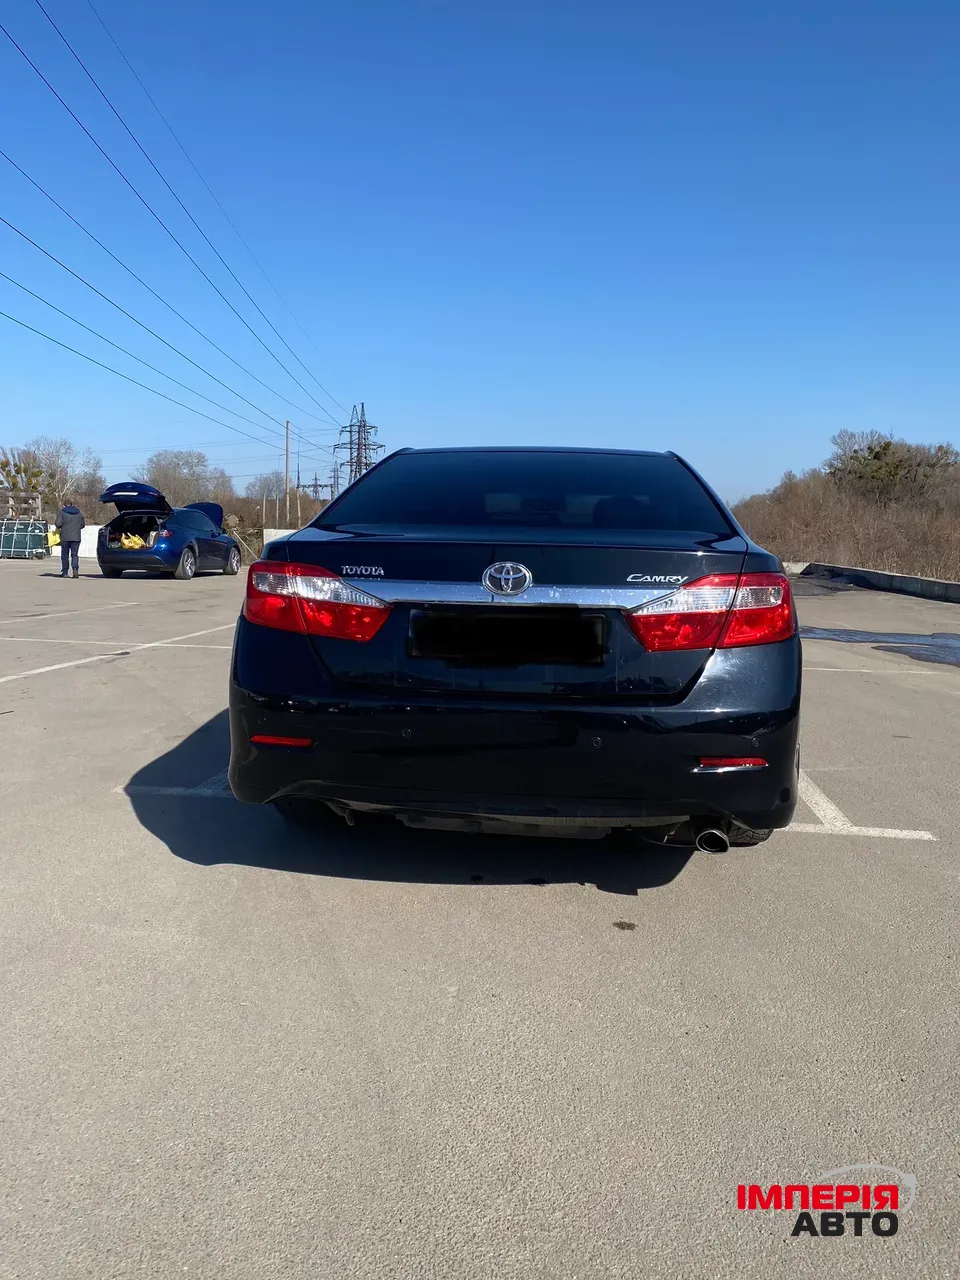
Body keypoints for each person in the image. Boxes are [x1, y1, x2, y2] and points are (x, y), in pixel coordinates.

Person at [54, 503, 85, 578]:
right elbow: (83, 525)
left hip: (65, 537)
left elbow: (58, 524)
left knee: (65, 555)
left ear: (64, 505)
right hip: (76, 537)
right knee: (74, 554)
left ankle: (65, 572)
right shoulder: (79, 513)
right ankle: (75, 569)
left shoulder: (62, 513)